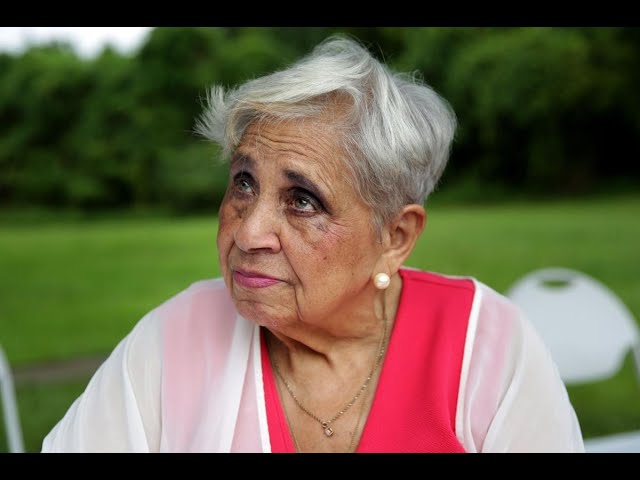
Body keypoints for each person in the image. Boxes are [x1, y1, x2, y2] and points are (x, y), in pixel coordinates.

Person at [41, 35, 584, 453]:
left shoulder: (487, 345)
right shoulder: (174, 337)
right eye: (243, 183)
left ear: (395, 237)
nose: (248, 233)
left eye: (303, 200)